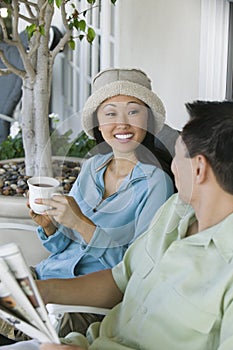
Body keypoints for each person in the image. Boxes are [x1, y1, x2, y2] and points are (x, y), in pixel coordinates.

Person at [2, 100, 233, 350]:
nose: (172, 165)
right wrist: (38, 292)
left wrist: (81, 224)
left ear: (198, 169)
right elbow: (120, 278)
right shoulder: (175, 211)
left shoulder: (225, 269)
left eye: (176, 155)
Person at [0, 68, 174, 343]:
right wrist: (52, 229)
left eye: (133, 111)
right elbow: (63, 246)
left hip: (83, 303)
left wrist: (81, 223)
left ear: (149, 121)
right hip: (47, 276)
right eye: (110, 113)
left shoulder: (156, 184)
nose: (122, 123)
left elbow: (136, 269)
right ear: (97, 123)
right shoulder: (92, 167)